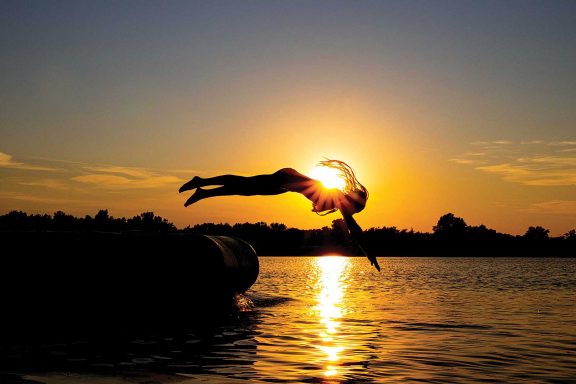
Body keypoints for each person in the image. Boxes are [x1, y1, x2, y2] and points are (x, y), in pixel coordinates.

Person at [179, 160, 380, 271]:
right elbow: (354, 228)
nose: (351, 212)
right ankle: (202, 181)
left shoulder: (336, 200)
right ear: (352, 202)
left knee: (245, 189)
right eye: (355, 209)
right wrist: (369, 253)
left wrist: (367, 250)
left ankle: (203, 192)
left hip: (286, 184)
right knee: (245, 184)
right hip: (286, 178)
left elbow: (353, 227)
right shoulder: (337, 195)